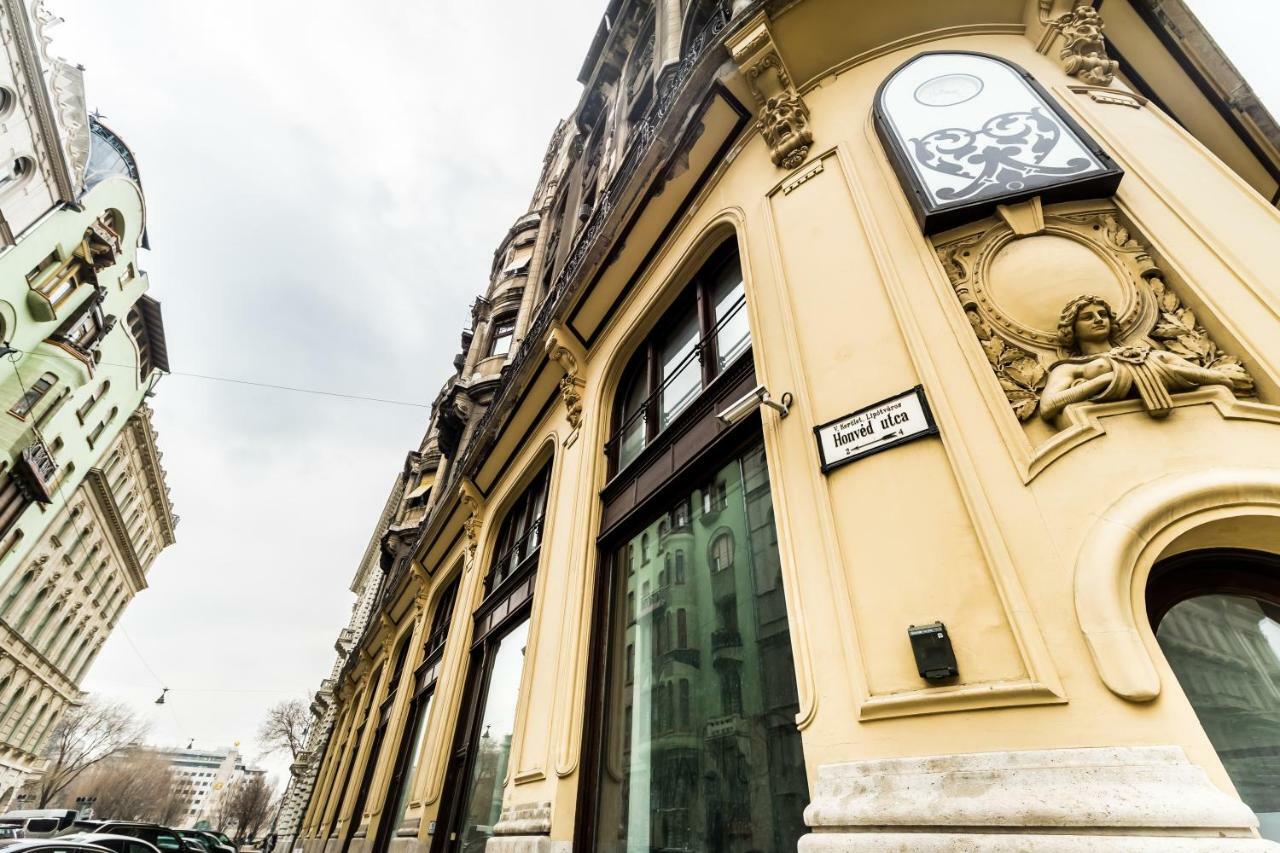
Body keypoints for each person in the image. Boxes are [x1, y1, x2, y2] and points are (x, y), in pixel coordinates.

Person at [1039, 295, 1252, 421]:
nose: (1098, 319)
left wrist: (1161, 371)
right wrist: (1106, 380)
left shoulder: (1153, 354)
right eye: (1087, 317)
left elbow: (1221, 379)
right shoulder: (1070, 368)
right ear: (1072, 329)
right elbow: (1049, 406)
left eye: (1102, 315)